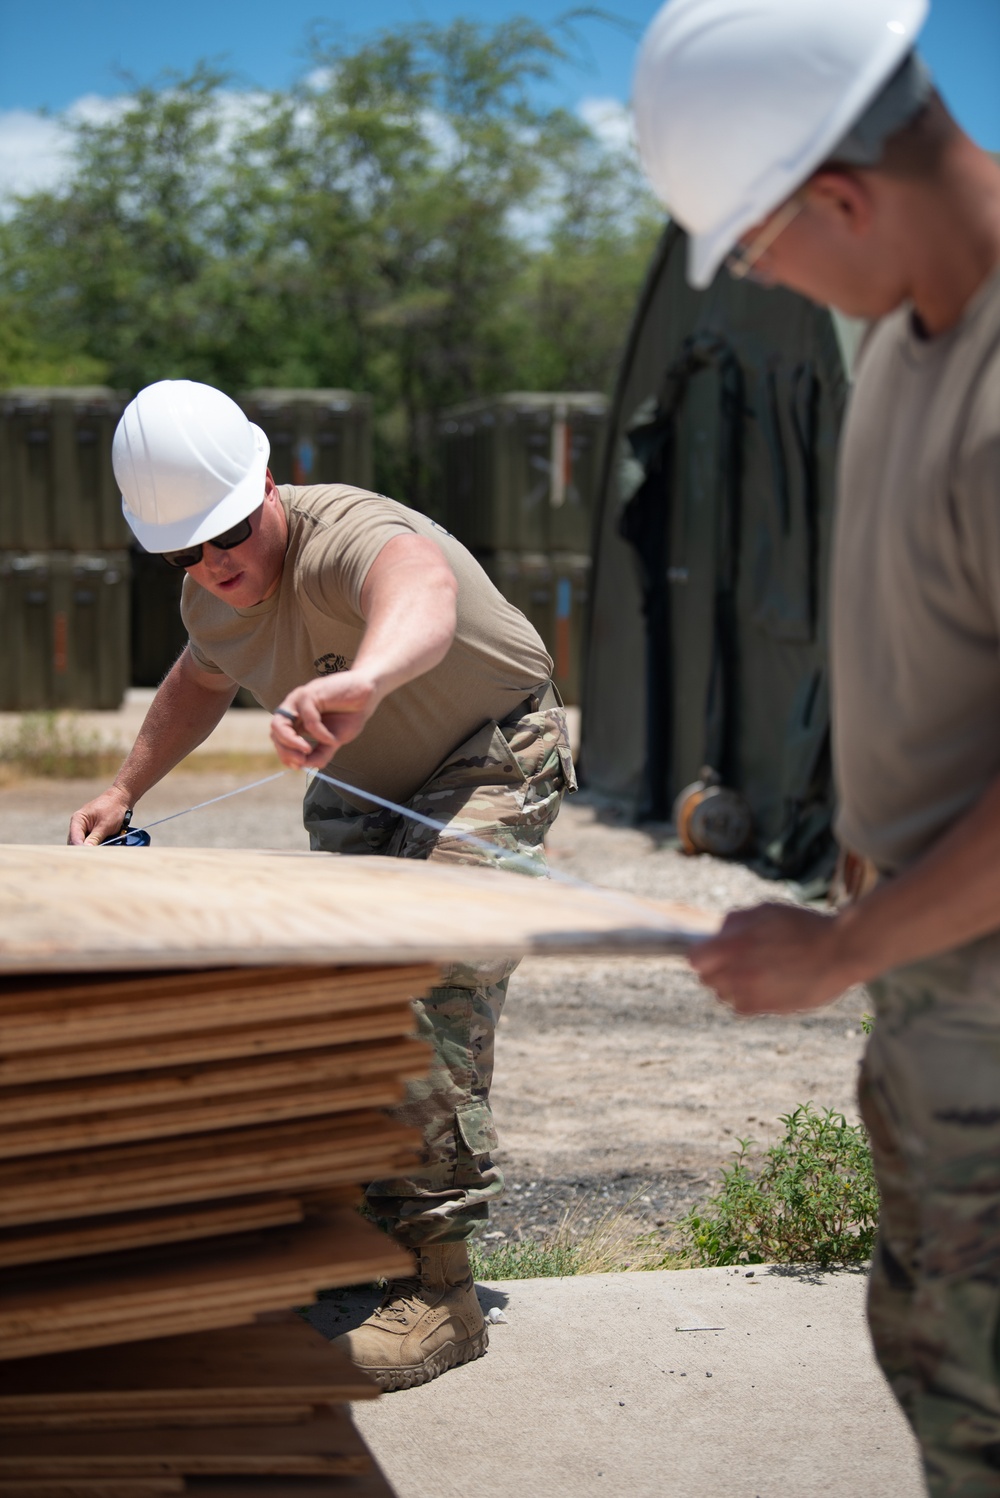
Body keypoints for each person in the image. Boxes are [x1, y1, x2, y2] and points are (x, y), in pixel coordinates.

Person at [634, 1, 1000, 1491]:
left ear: (839, 195)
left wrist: (842, 949)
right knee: (950, 1383)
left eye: (760, 246)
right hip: (946, 1004)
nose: (763, 281)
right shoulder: (911, 338)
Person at [69, 378, 576, 1390]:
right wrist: (125, 785)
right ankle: (361, 1242)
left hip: (489, 755)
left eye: (227, 534)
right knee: (333, 1002)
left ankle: (440, 1292)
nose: (215, 566)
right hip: (366, 787)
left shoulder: (346, 532)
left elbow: (420, 590)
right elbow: (199, 677)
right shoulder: (207, 596)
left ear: (269, 480)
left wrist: (364, 680)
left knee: (428, 977)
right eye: (183, 554)